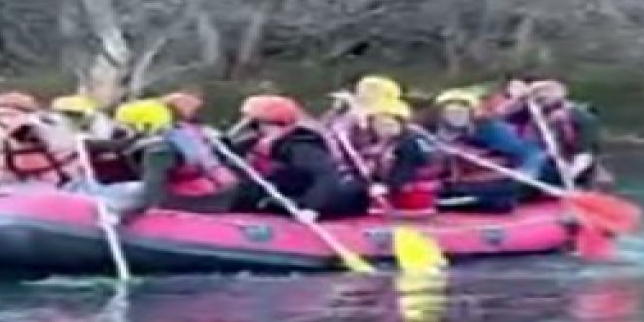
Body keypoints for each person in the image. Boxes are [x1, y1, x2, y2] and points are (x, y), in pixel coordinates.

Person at [230, 95, 370, 220]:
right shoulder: (257, 143)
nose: (254, 130)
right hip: (298, 192)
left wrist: (312, 208)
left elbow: (326, 176)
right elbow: (231, 150)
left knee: (267, 201)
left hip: (333, 199)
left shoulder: (301, 146)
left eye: (255, 125)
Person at [108, 99, 238, 215]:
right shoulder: (181, 133)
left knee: (128, 195)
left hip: (209, 199)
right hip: (219, 191)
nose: (121, 133)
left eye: (126, 127)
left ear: (144, 126)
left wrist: (120, 210)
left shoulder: (159, 152)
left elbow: (154, 197)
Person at [426, 89, 546, 212]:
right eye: (450, 111)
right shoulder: (431, 133)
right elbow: (432, 165)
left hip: (498, 183)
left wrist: (525, 175)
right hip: (457, 184)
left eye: (461, 111)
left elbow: (532, 153)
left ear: (471, 113)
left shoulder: (491, 130)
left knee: (500, 196)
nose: (456, 115)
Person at [0, 91, 84, 187]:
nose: (3, 119)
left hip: (18, 187)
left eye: (7, 114)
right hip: (60, 185)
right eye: (1, 114)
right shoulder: (56, 126)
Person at [512, 80, 604, 188]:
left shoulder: (583, 119)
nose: (553, 115)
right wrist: (517, 97)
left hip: (574, 170)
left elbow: (585, 155)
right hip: (545, 165)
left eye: (557, 107)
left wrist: (570, 176)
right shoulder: (535, 117)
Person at [355, 98, 439, 215]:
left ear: (401, 124)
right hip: (397, 195)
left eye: (390, 124)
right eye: (380, 125)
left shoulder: (410, 142)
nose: (385, 129)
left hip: (413, 197)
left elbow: (406, 169)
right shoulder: (382, 144)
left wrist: (386, 187)